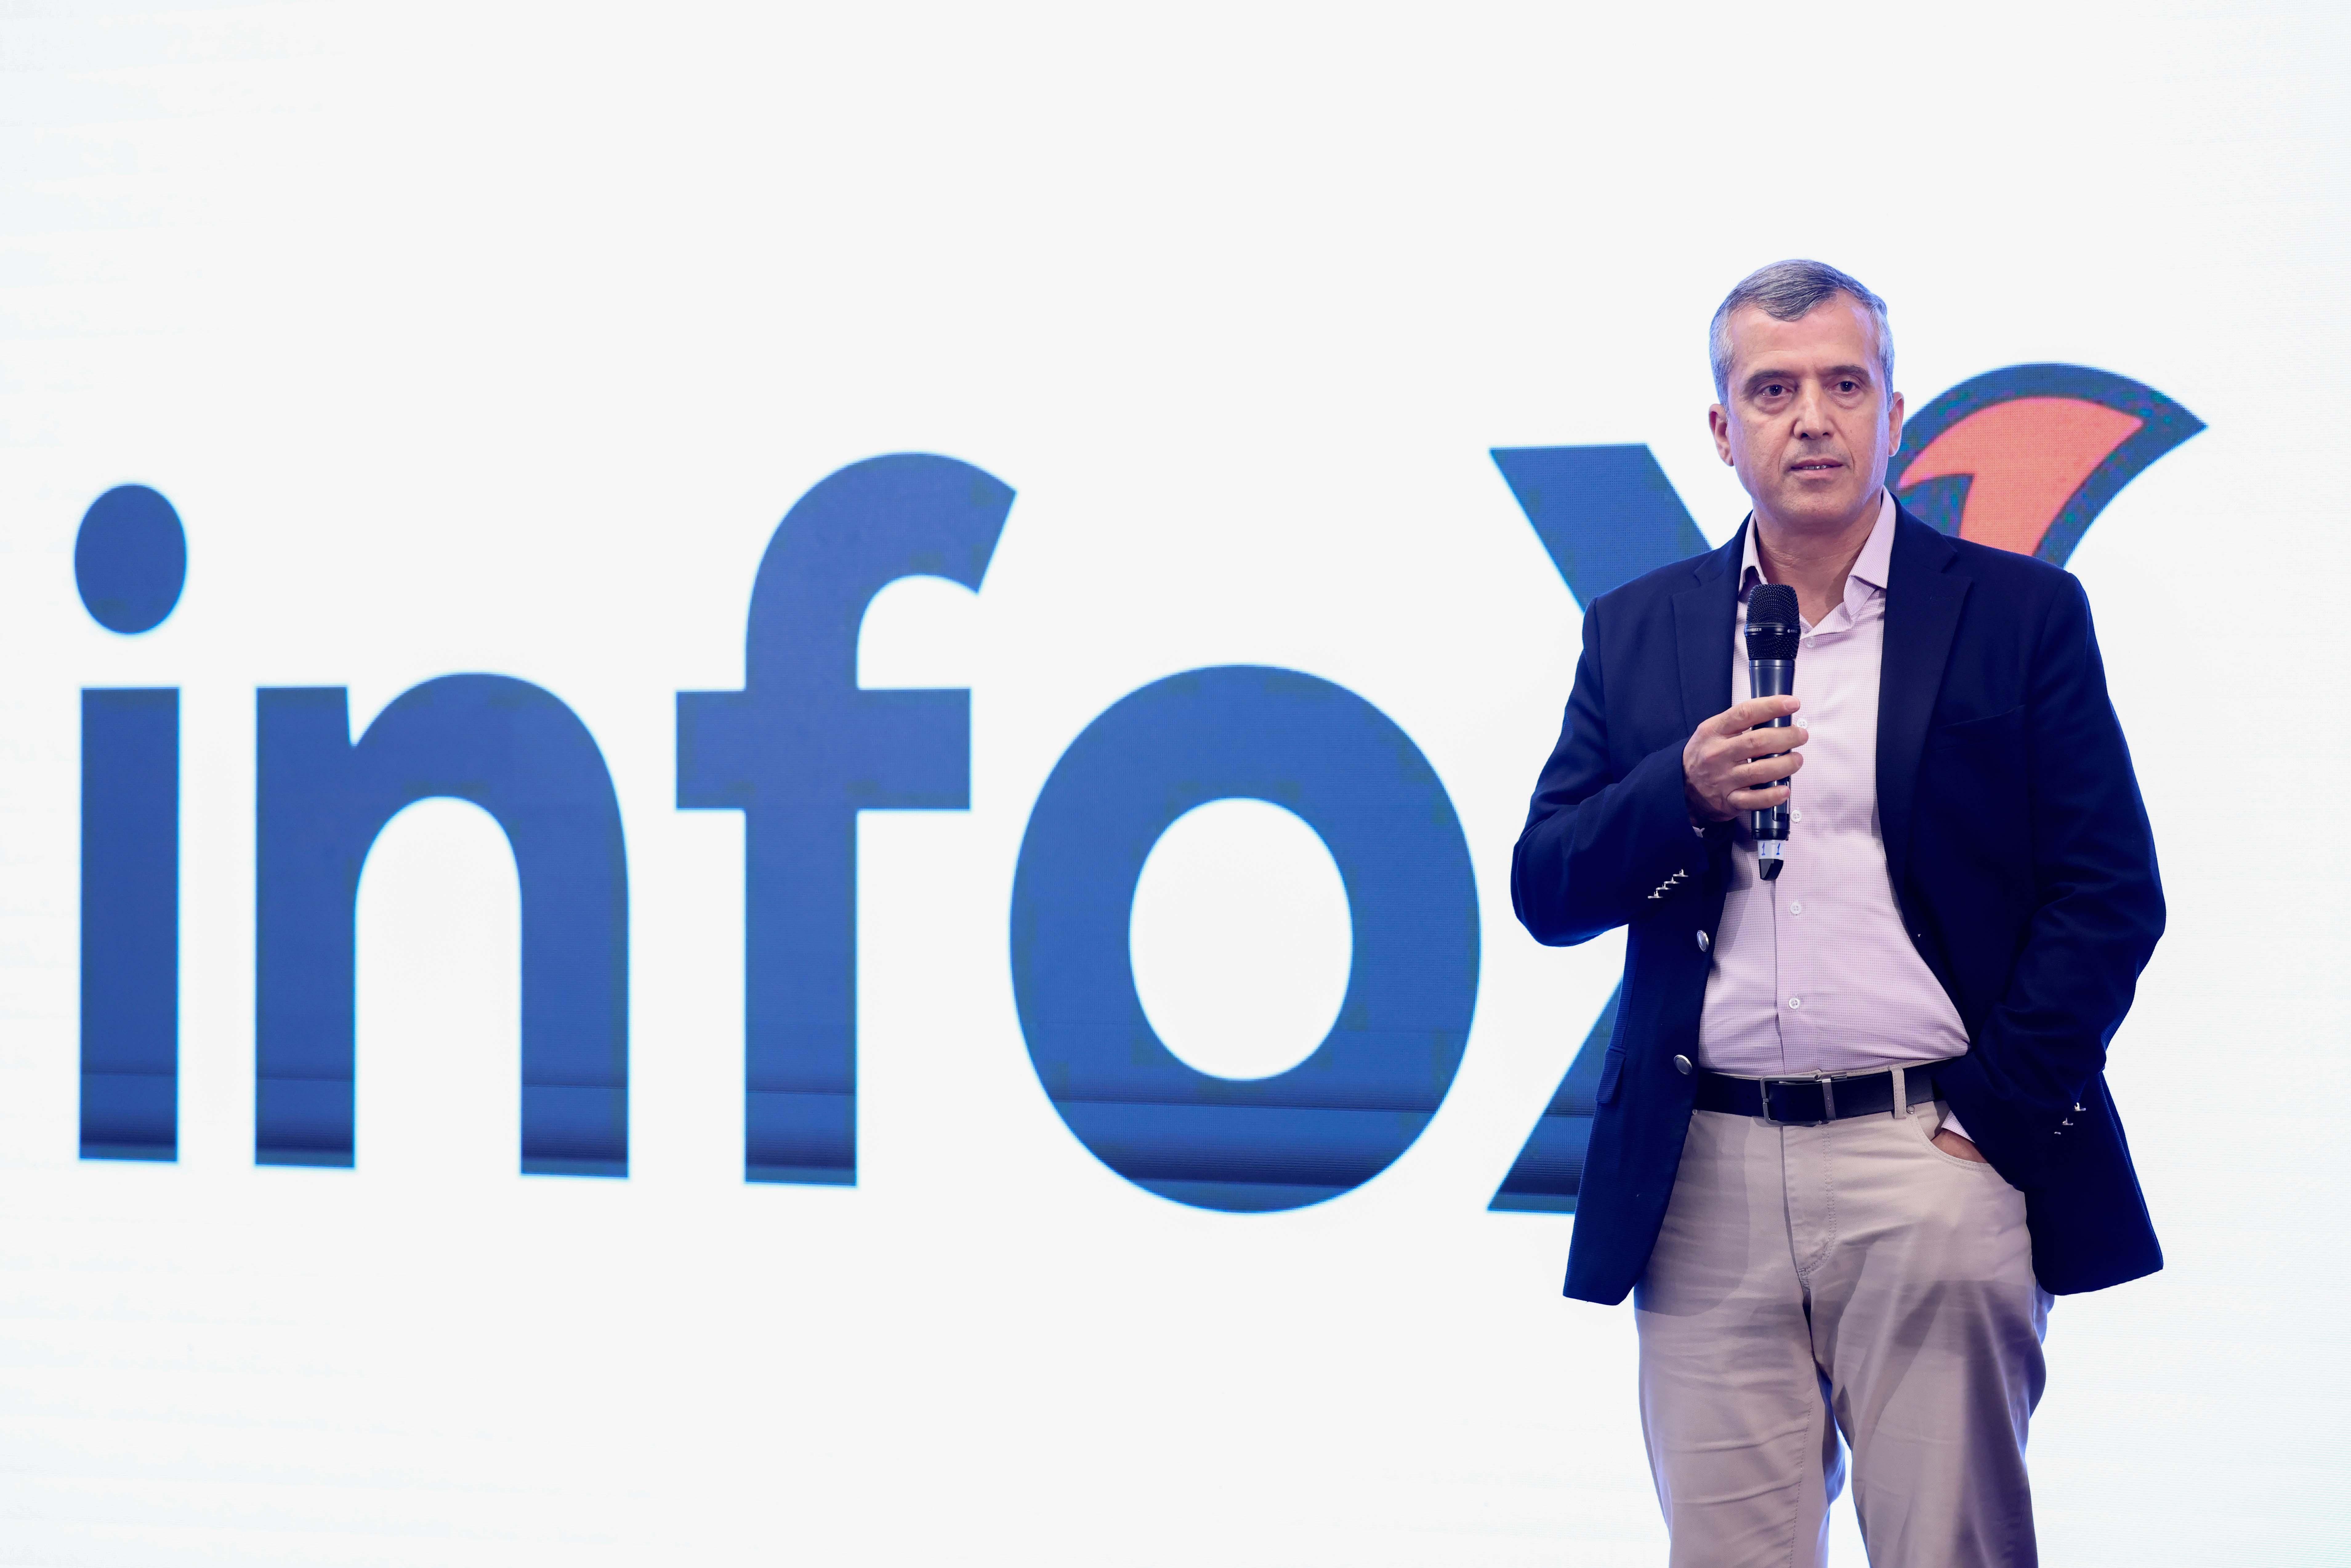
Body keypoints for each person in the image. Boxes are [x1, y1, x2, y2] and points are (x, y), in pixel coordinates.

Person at [1510, 259, 2164, 1566]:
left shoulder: (2016, 616)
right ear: (1721, 430)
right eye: (1772, 390)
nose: (1810, 418)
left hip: (1925, 1158)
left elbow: (2109, 892)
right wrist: (1677, 791)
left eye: (1842, 385)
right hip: (1701, 1179)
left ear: (1893, 414)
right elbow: (1548, 886)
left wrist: (1986, 1122)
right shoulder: (1637, 629)